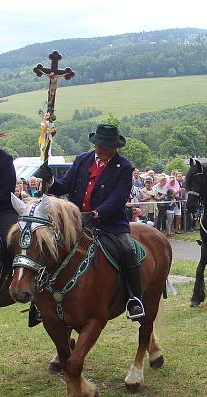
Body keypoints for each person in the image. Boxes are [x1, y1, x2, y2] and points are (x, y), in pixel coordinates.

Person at [35, 123, 144, 320]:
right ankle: (41, 298)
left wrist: (95, 214)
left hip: (109, 223)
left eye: (109, 147)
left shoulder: (124, 166)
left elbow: (118, 198)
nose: (105, 150)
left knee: (127, 250)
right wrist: (50, 180)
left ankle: (135, 299)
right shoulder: (82, 160)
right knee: (45, 245)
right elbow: (64, 185)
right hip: (75, 221)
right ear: (95, 145)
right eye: (101, 146)